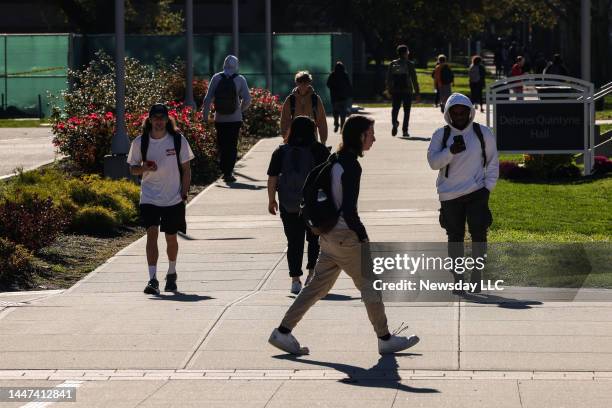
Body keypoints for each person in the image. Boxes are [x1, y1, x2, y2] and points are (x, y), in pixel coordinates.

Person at [268, 115, 420, 355]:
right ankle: (385, 338)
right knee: (370, 286)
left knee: (316, 287)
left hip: (328, 237)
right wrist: (362, 237)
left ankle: (283, 332)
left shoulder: (335, 159)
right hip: (345, 237)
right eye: (370, 134)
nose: (374, 139)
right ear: (359, 136)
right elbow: (349, 210)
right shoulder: (351, 166)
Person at [426, 93, 499, 294]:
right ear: (448, 114)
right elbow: (433, 163)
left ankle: (477, 275)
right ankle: (458, 279)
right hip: (450, 196)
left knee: (479, 235)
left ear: (470, 112)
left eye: (462, 112)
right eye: (454, 112)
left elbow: (492, 162)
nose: (459, 116)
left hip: (477, 193)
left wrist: (487, 188)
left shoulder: (482, 133)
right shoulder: (440, 135)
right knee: (455, 237)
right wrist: (450, 151)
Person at [127, 103, 195, 295]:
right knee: (151, 234)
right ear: (149, 120)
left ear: (167, 120)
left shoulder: (178, 140)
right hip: (149, 197)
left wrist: (184, 193)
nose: (158, 121)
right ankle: (152, 279)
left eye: (162, 118)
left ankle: (171, 273)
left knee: (171, 238)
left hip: (173, 198)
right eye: (155, 118)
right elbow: (132, 168)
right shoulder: (140, 142)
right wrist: (144, 168)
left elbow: (187, 169)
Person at [267, 116, 330, 294]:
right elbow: (329, 178)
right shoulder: (319, 150)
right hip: (314, 205)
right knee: (314, 240)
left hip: (289, 203)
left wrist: (272, 200)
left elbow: (272, 178)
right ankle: (311, 274)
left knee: (294, 241)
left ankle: (295, 279)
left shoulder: (281, 151)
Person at [202, 55, 252, 183]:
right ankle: (229, 172)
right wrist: (240, 110)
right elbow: (247, 99)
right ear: (236, 66)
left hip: (220, 118)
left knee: (222, 144)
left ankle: (224, 171)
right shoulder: (240, 79)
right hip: (235, 119)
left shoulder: (216, 78)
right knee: (232, 145)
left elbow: (207, 99)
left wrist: (205, 116)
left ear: (224, 64)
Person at [280, 71, 328, 144]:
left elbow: (321, 120)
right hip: (294, 137)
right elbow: (285, 120)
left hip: (311, 137)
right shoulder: (290, 99)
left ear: (309, 83)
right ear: (296, 83)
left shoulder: (315, 99)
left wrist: (323, 140)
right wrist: (286, 137)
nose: (303, 84)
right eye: (300, 81)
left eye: (305, 81)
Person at [386, 44, 420, 138]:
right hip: (407, 90)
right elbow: (414, 79)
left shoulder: (392, 64)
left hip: (396, 91)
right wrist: (417, 92)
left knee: (395, 109)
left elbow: (388, 78)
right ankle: (405, 131)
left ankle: (394, 123)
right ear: (405, 53)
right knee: (406, 111)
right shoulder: (410, 64)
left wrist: (388, 90)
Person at [326, 61, 353, 133]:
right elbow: (349, 85)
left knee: (335, 112)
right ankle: (342, 127)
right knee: (343, 113)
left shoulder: (332, 75)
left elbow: (328, 84)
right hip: (343, 97)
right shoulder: (345, 75)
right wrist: (349, 93)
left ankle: (336, 123)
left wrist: (333, 88)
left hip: (335, 97)